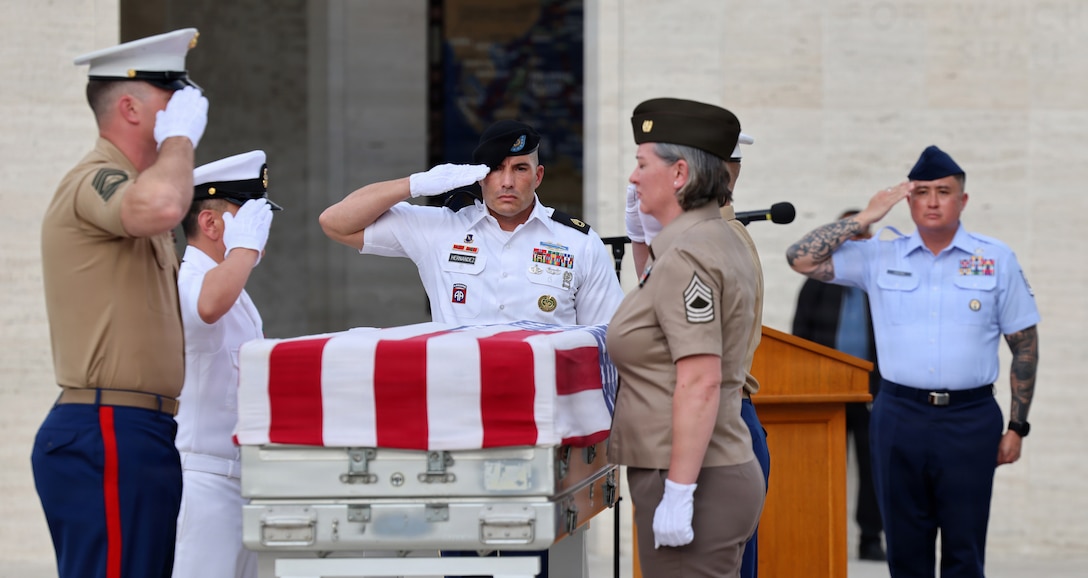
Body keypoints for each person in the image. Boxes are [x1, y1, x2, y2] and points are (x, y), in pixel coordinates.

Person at [319, 119, 625, 577]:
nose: (506, 181)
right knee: (465, 560)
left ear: (538, 177)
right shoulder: (441, 228)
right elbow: (335, 223)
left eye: (520, 169)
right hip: (458, 426)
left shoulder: (578, 243)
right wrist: (416, 184)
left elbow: (609, 346)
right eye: (495, 168)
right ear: (476, 175)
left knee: (538, 559)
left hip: (542, 432)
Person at [785, 145, 1040, 578]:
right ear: (908, 200)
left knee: (964, 548)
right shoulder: (881, 254)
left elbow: (1025, 346)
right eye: (922, 191)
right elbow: (800, 258)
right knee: (905, 549)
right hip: (899, 415)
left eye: (944, 191)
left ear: (963, 200)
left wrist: (1017, 426)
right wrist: (864, 218)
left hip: (969, 418)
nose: (934, 201)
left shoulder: (995, 259)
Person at [32, 28, 209, 578]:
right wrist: (180, 142)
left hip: (139, 430)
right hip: (106, 426)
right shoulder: (96, 180)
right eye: (171, 98)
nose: (184, 110)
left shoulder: (135, 184)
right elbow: (158, 207)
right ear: (130, 106)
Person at [607, 97, 766, 577]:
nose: (633, 178)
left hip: (695, 477)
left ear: (679, 174)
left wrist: (678, 493)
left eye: (641, 164)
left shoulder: (689, 255)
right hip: (709, 468)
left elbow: (699, 380)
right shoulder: (716, 236)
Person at [172, 151, 280, 578]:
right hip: (202, 479)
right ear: (211, 223)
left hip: (241, 481)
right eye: (249, 214)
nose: (262, 228)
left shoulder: (236, 292)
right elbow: (207, 306)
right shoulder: (188, 281)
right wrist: (246, 248)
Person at [790, 209, 886, 562]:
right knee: (820, 467)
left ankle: (871, 538)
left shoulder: (881, 282)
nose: (857, 242)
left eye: (863, 235)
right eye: (850, 234)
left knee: (872, 466)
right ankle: (816, 532)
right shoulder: (817, 282)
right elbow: (800, 337)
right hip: (826, 391)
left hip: (872, 392)